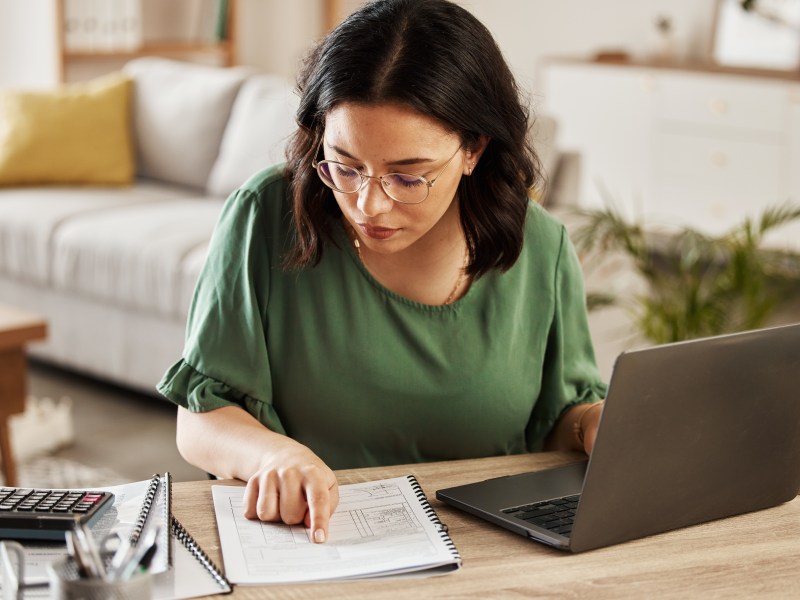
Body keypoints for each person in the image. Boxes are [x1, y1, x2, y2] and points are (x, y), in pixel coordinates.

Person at [157, 0, 607, 545]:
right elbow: (201, 418)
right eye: (345, 166)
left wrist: (593, 425)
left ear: (474, 150)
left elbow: (560, 421)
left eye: (408, 177)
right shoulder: (264, 216)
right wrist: (273, 454)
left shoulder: (541, 246)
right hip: (316, 542)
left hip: (496, 551)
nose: (368, 204)